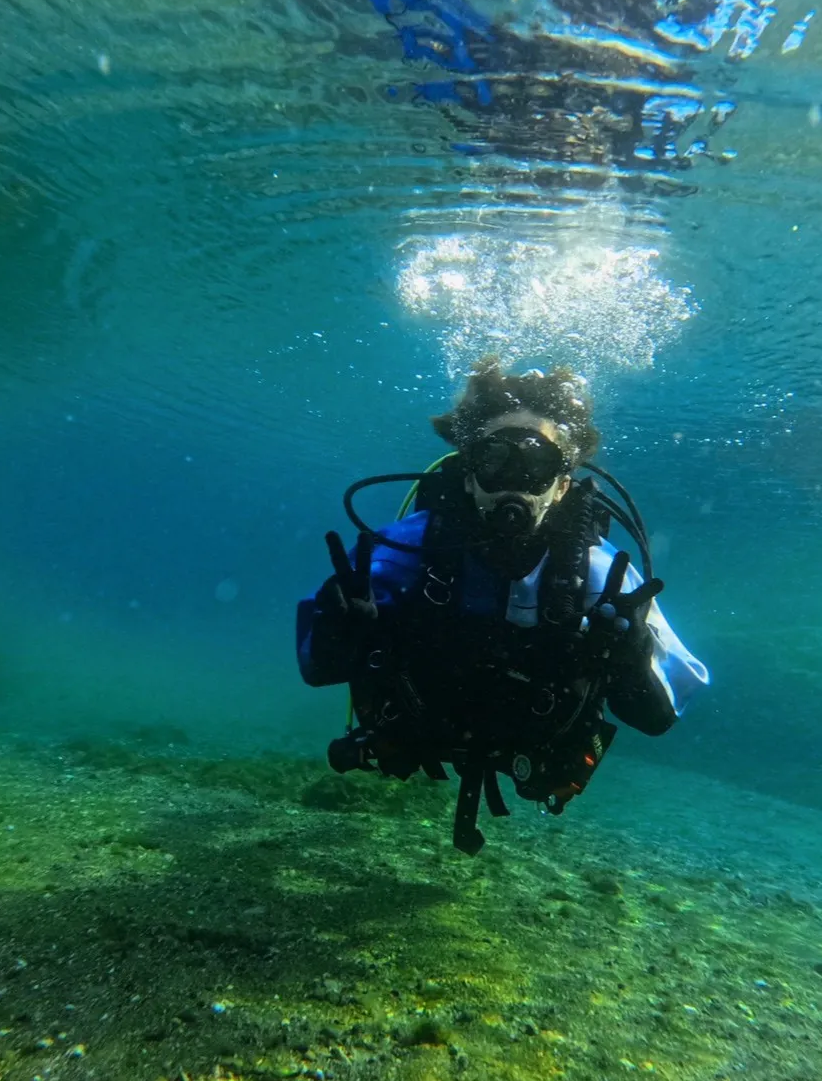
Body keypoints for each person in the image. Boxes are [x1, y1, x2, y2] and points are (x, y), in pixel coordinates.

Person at [296, 357, 708, 854]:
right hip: (422, 731)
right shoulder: (404, 552)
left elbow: (657, 718)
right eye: (495, 462)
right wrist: (342, 628)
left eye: (536, 466)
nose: (514, 484)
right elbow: (319, 670)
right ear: (468, 475)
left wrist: (629, 654)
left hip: (536, 747)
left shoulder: (604, 576)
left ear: (561, 485)